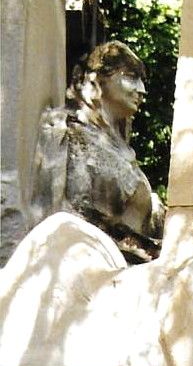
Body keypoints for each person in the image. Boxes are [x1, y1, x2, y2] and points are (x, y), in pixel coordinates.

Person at [30, 41, 164, 262]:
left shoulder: (121, 149)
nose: (142, 89)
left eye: (141, 80)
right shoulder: (72, 134)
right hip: (90, 271)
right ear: (96, 79)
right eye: (131, 76)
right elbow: (74, 217)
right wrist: (149, 249)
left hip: (131, 272)